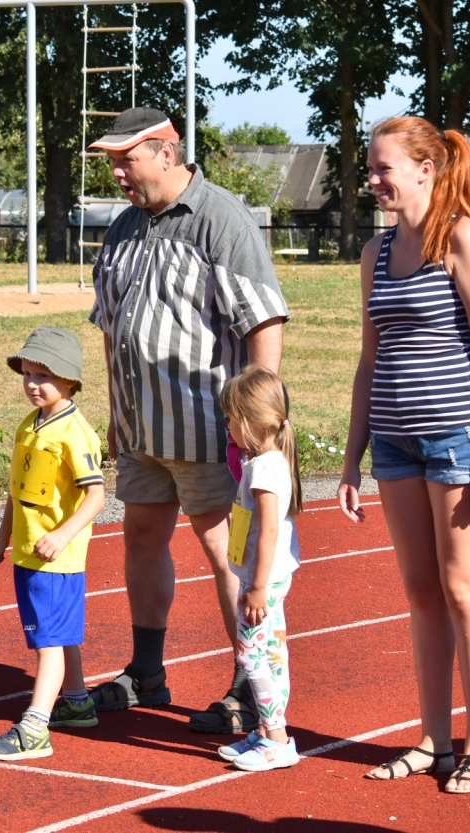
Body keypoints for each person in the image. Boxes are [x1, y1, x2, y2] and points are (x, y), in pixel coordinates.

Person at [87, 106, 290, 733]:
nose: (117, 171)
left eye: (128, 158)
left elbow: (263, 321)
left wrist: (258, 422)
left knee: (222, 551)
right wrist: (117, 411)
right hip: (142, 425)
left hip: (207, 426)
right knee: (141, 538)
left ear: (167, 152)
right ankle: (147, 673)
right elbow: (111, 325)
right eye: (112, 161)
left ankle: (249, 685)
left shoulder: (220, 219)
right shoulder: (123, 227)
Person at [337, 116, 470, 794]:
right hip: (396, 444)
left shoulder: (461, 237)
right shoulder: (375, 253)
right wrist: (352, 458)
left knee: (465, 588)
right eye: (371, 168)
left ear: (424, 170)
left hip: (457, 442)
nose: (374, 180)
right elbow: (369, 357)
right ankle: (434, 738)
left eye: (384, 168)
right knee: (419, 592)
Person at [0, 328, 106, 761]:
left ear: (71, 381)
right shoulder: (28, 426)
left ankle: (35, 728)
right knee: (60, 633)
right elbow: (18, 491)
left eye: (44, 376)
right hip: (29, 550)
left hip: (56, 556)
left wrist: (63, 533)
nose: (32, 383)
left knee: (47, 642)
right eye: (27, 374)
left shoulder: (76, 433)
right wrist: (2, 538)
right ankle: (75, 700)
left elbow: (96, 496)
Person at [215, 365, 302, 772]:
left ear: (250, 421)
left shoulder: (266, 469)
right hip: (268, 577)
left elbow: (268, 531)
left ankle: (277, 738)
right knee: (272, 652)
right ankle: (270, 733)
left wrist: (256, 587)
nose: (227, 426)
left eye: (231, 418)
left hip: (261, 580)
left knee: (251, 656)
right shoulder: (263, 461)